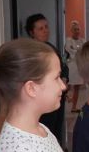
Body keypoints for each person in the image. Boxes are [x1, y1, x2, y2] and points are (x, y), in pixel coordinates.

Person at [25, 13, 69, 145]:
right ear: (31, 32)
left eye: (46, 27)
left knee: (56, 128)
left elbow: (64, 67)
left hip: (58, 95)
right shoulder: (29, 52)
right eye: (40, 28)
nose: (45, 31)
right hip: (42, 98)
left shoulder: (51, 48)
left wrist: (64, 78)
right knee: (45, 129)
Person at [65, 20, 87, 112]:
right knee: (67, 86)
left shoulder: (83, 41)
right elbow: (69, 50)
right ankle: (67, 98)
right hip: (71, 66)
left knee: (77, 87)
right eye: (75, 29)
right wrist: (77, 51)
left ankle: (74, 107)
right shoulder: (68, 40)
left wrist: (76, 50)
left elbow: (84, 52)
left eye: (78, 29)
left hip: (79, 66)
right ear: (71, 31)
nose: (77, 31)